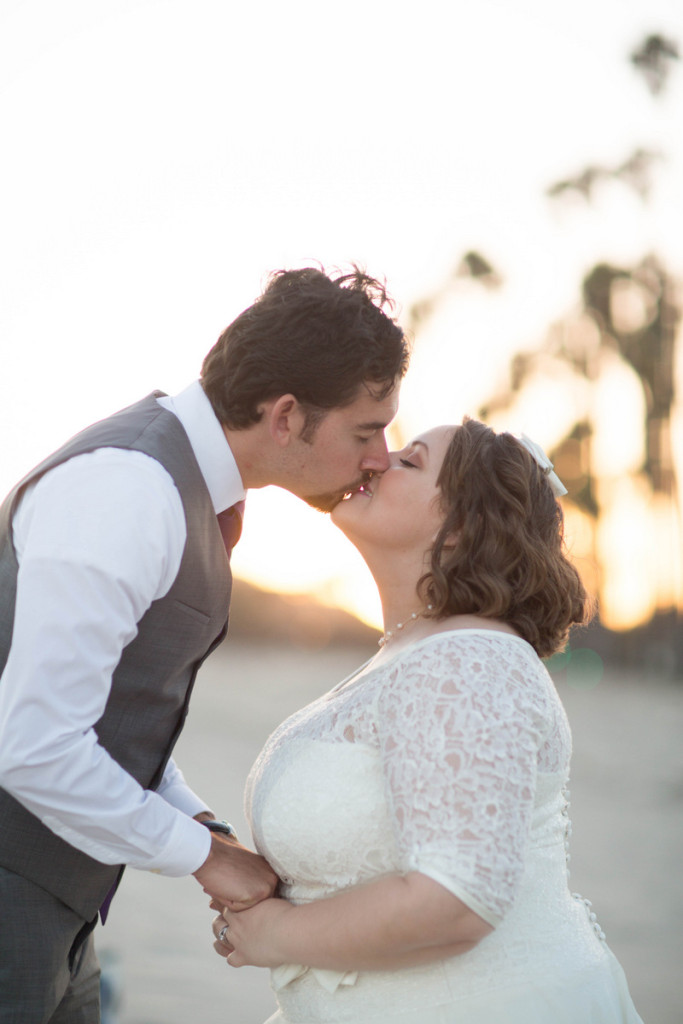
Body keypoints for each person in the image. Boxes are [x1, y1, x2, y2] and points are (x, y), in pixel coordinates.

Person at [0, 266, 409, 1023]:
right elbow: (35, 746)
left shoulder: (180, 489)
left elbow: (112, 715)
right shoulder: (126, 489)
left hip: (61, 915)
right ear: (285, 415)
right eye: (365, 430)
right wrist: (209, 861)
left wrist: (198, 824)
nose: (380, 456)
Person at [210, 417, 644, 1023]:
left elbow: (459, 899)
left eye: (409, 461)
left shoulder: (470, 659)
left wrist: (279, 934)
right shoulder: (410, 655)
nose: (376, 461)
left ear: (464, 525)